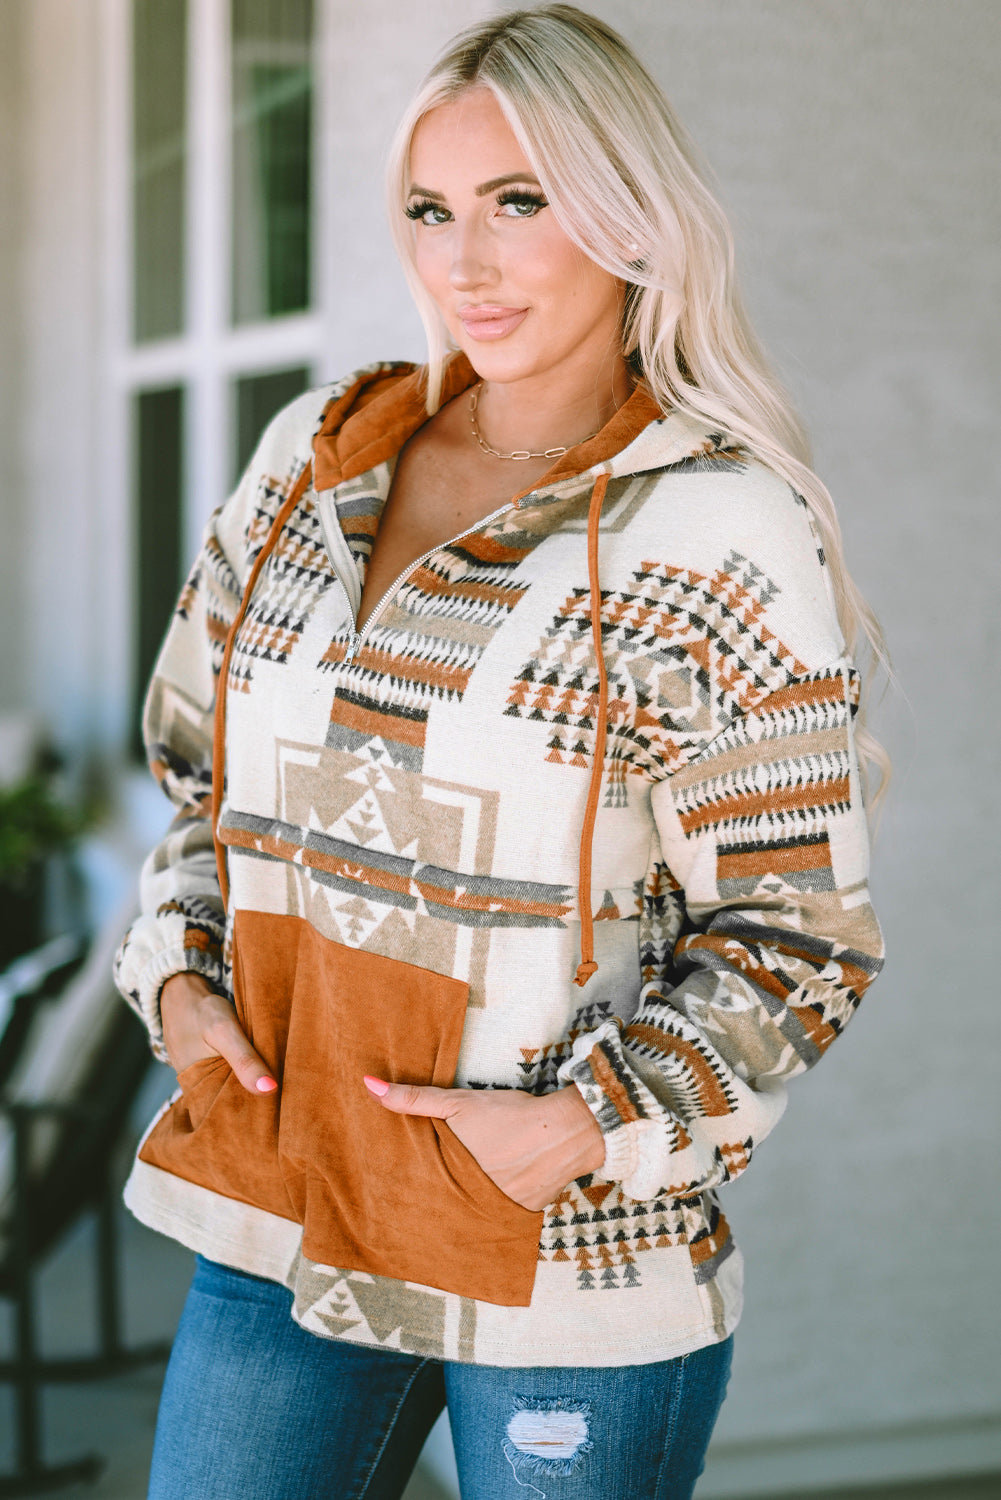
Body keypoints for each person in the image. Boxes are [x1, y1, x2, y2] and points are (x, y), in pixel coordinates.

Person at [114, 6, 887, 1497]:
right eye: (430, 210)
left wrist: (582, 1124)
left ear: (627, 215)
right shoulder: (310, 463)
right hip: (287, 1205)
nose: (463, 261)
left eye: (517, 202)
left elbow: (796, 935)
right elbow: (202, 784)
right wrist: (183, 982)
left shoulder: (716, 529)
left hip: (561, 1251)